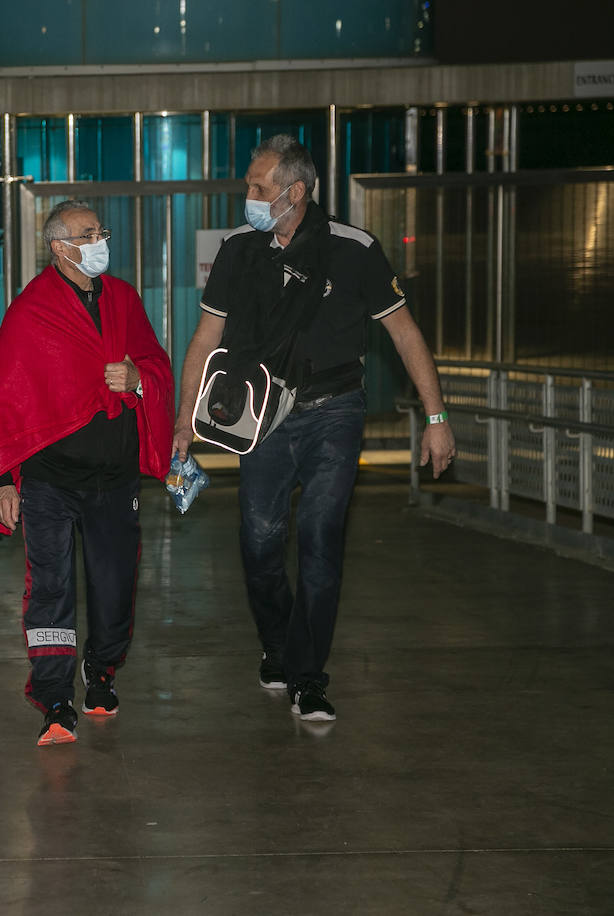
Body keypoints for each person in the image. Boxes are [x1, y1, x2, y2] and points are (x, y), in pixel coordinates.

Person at [173, 134, 457, 723]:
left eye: (258, 187)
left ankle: (308, 677)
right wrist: (184, 421)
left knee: (322, 541)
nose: (248, 196)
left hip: (334, 411)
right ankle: (278, 647)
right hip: (263, 420)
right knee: (259, 544)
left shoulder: (354, 250)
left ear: (294, 193)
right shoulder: (237, 251)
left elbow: (405, 334)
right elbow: (205, 340)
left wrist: (436, 417)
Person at [0, 200, 175, 747]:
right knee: (51, 588)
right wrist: (0, 480)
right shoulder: (30, 312)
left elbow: (156, 364)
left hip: (113, 477)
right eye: (90, 233)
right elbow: (7, 400)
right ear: (60, 247)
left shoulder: (124, 300)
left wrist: (137, 377)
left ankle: (102, 672)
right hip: (49, 480)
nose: (100, 241)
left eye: (102, 231)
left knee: (114, 585)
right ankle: (55, 696)